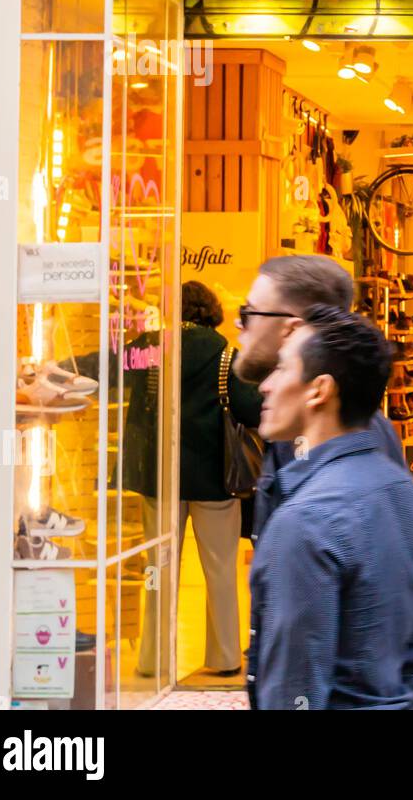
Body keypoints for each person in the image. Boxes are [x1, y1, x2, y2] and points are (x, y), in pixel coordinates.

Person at [248, 304, 413, 709]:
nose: (266, 385)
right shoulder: (412, 501)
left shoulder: (305, 521)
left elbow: (293, 692)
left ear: (319, 389)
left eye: (282, 369)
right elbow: (411, 664)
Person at [130, 281, 261, 678]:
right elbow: (250, 408)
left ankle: (153, 658)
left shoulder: (149, 345)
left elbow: (127, 388)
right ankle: (224, 657)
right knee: (220, 569)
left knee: (158, 569)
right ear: (210, 311)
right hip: (214, 477)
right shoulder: (225, 354)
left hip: (161, 475)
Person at [233, 254, 405, 542]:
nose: (239, 324)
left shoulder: (319, 431)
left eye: (249, 312)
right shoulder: (302, 422)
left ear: (293, 328)